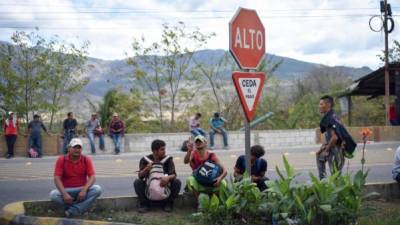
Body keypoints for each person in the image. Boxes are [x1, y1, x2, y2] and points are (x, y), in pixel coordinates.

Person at [50, 138, 102, 217]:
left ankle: (72, 211)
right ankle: (79, 208)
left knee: (97, 189)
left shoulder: (86, 159)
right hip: (67, 190)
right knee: (53, 195)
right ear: (69, 148)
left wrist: (84, 190)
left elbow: (92, 177)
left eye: (79, 148)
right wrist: (64, 194)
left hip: (81, 190)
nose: (77, 150)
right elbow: (57, 178)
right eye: (74, 147)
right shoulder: (62, 159)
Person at [134, 139, 181, 213]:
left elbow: (174, 174)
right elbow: (140, 176)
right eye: (162, 149)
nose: (164, 151)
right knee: (137, 182)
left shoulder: (168, 160)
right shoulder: (145, 160)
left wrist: (167, 178)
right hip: (149, 188)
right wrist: (146, 169)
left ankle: (168, 203)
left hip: (164, 186)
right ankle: (145, 204)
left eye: (164, 149)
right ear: (155, 151)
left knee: (177, 182)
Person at [316, 95, 345, 180]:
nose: (319, 106)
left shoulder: (331, 118)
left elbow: (335, 137)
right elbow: (329, 135)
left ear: (328, 105)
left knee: (336, 177)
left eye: (321, 104)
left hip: (336, 150)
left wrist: (327, 150)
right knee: (319, 157)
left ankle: (324, 184)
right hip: (332, 148)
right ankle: (323, 183)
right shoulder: (330, 116)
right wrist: (322, 149)